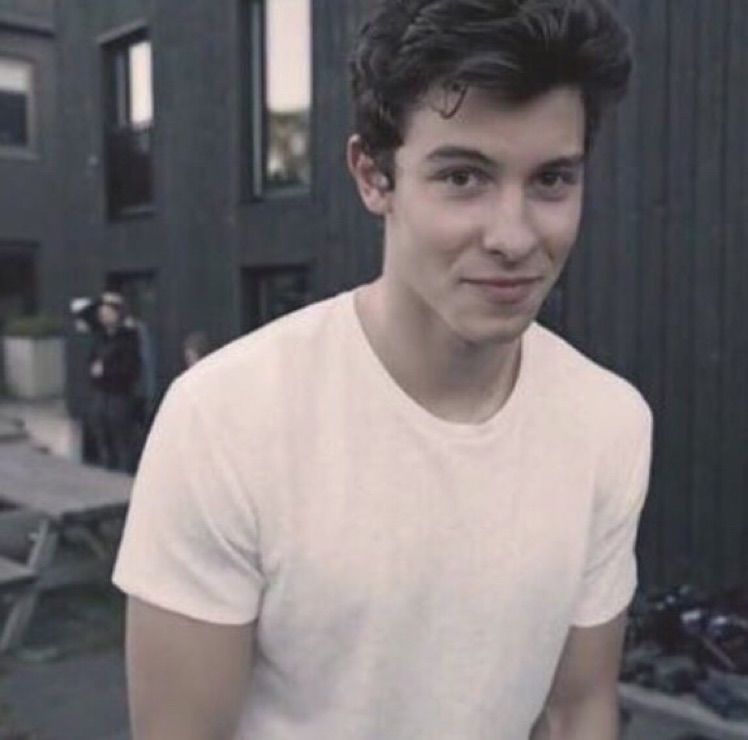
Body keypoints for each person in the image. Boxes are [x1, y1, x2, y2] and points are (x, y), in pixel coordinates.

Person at [113, 1, 653, 737]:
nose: (514, 236)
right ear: (373, 177)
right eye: (463, 177)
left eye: (552, 179)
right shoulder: (225, 418)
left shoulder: (608, 422)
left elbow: (578, 705)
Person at [87, 291, 141, 473]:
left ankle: (124, 471)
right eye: (102, 312)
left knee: (121, 437)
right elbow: (91, 360)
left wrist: (106, 371)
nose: (104, 315)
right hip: (101, 392)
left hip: (119, 394)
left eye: (108, 312)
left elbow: (131, 368)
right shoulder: (100, 337)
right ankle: (106, 467)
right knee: (101, 432)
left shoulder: (128, 338)